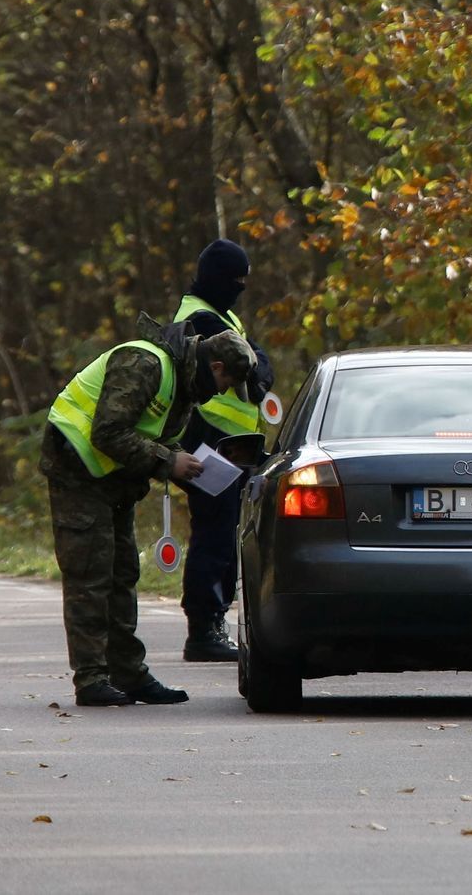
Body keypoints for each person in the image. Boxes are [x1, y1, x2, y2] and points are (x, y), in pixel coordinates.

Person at [41, 320, 257, 707]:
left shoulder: (184, 386)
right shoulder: (145, 363)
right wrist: (167, 461)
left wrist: (187, 465)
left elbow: (152, 437)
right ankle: (91, 678)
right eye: (225, 385)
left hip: (114, 478)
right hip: (76, 467)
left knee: (123, 572)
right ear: (218, 368)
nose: (221, 393)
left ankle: (129, 674)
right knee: (91, 573)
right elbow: (106, 433)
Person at [172, 239, 276, 662]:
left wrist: (258, 368)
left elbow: (258, 362)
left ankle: (215, 622)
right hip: (208, 441)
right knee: (214, 535)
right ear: (218, 278)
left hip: (227, 445)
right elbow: (250, 367)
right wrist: (256, 369)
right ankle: (204, 629)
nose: (241, 288)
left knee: (223, 533)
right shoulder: (198, 319)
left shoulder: (220, 315)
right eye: (236, 280)